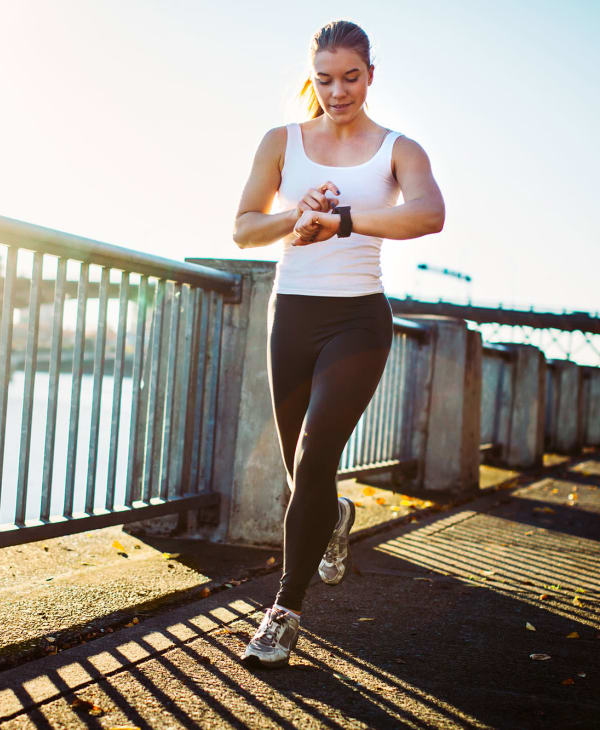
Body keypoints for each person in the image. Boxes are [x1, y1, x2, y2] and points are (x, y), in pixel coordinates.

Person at [231, 19, 445, 669]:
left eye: (351, 77)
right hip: (292, 316)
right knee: (308, 478)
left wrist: (341, 219)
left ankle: (282, 614)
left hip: (358, 320)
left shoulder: (397, 149)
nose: (338, 91)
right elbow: (244, 230)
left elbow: (429, 213)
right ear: (312, 75)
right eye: (325, 79)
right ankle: (336, 515)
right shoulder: (281, 142)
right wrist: (297, 218)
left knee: (315, 449)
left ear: (371, 75)